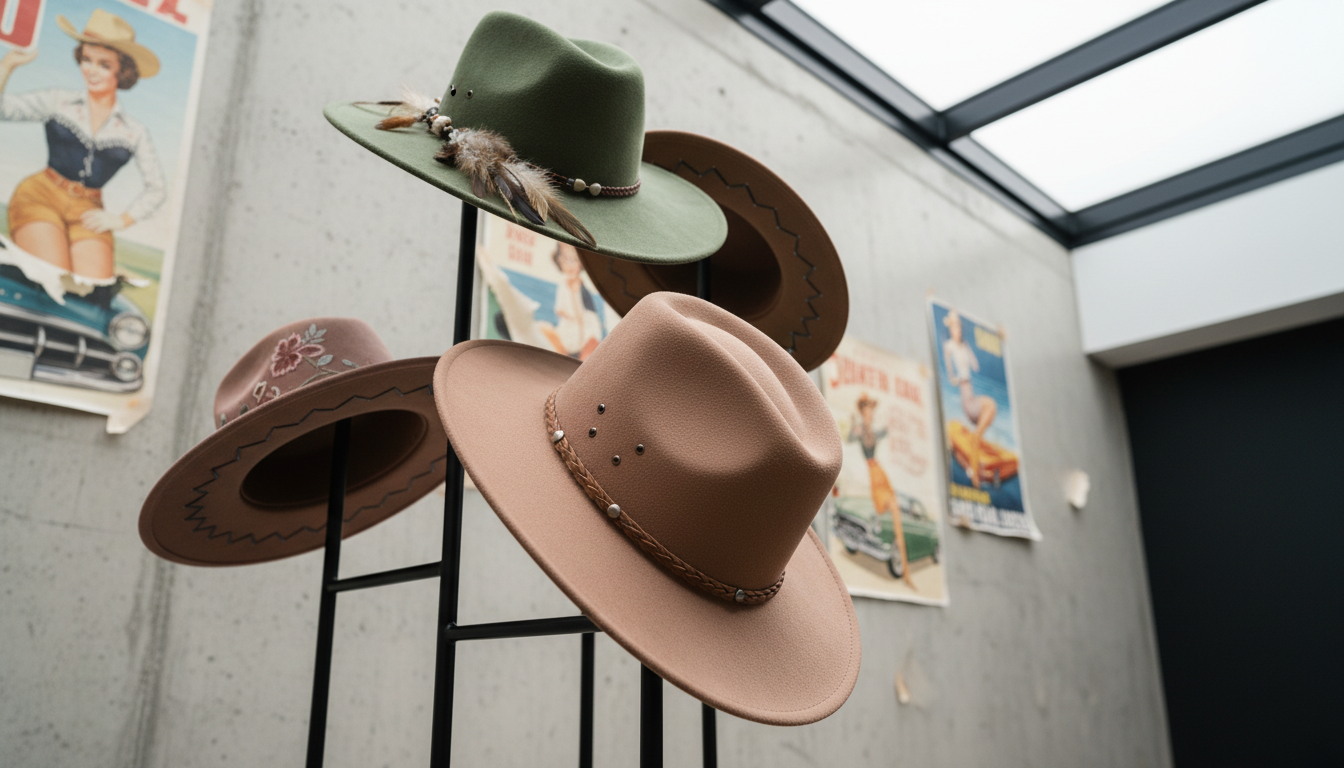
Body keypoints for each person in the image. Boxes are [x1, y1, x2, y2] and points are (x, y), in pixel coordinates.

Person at [0, 10, 165, 281]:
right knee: (54, 275)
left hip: (89, 212)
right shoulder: (58, 101)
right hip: (40, 196)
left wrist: (122, 220)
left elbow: (157, 188)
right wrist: (6, 66)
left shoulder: (135, 131)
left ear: (122, 72)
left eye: (104, 64)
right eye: (87, 59)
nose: (91, 70)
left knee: (91, 286)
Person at [848, 393, 911, 585]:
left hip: (879, 472)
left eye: (872, 411)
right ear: (863, 412)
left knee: (894, 510)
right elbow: (853, 438)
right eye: (868, 410)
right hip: (873, 473)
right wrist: (855, 426)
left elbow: (882, 433)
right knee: (883, 510)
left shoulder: (871, 431)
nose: (871, 414)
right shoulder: (860, 430)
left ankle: (903, 562)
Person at [942, 310, 998, 488]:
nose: (955, 330)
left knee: (977, 437)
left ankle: (977, 474)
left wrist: (968, 352)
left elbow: (975, 365)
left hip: (973, 397)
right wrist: (956, 378)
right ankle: (975, 476)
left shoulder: (964, 346)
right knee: (976, 437)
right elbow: (951, 374)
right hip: (968, 398)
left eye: (957, 326)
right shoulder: (949, 346)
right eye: (952, 326)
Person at [545, 242, 604, 360]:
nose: (570, 265)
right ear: (560, 262)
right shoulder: (563, 286)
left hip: (584, 335)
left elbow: (591, 318)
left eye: (574, 260)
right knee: (543, 328)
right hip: (567, 331)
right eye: (566, 260)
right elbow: (559, 309)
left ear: (580, 264)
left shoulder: (583, 289)